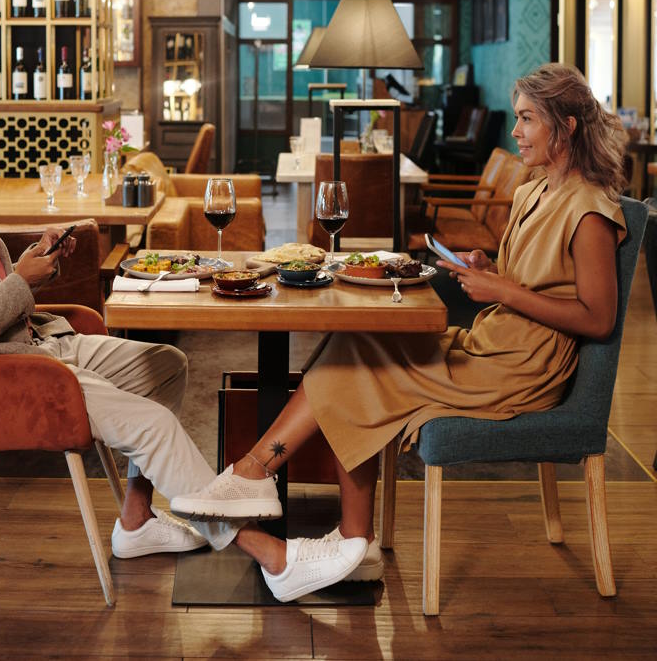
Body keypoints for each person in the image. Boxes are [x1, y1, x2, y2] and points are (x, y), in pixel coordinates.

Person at [170, 63, 629, 589]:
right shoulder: (533, 191)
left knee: (358, 363)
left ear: (566, 125)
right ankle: (333, 527)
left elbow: (598, 318)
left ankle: (270, 485)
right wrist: (492, 271)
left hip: (522, 366)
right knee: (354, 340)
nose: (516, 131)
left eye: (527, 119)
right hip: (492, 342)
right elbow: (544, 280)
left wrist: (503, 290)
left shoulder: (591, 210)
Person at [0, 100, 244, 560]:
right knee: (154, 425)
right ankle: (259, 549)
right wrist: (21, 282)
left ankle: (136, 519)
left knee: (165, 365)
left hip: (42, 342)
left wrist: (35, 263)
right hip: (7, 376)